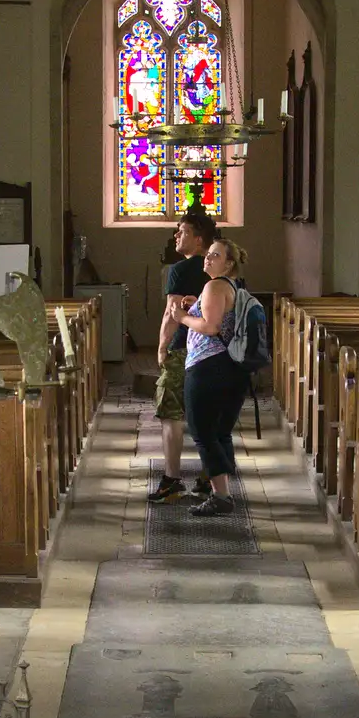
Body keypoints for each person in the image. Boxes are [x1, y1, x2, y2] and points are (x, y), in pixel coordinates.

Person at [167, 238, 252, 516]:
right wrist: (196, 306)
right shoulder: (231, 287)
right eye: (209, 254)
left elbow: (211, 326)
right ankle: (224, 489)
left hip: (208, 367)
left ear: (229, 263)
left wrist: (181, 317)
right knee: (220, 431)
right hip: (230, 368)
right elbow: (217, 316)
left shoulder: (215, 285)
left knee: (203, 431)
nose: (208, 259)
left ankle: (221, 496)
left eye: (215, 256)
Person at [149, 205, 217, 503]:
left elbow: (171, 313)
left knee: (171, 413)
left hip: (182, 349)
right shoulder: (220, 270)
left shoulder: (181, 269)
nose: (177, 235)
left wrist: (162, 346)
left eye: (183, 231)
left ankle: (172, 480)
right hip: (214, 352)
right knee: (207, 414)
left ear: (199, 240)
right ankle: (208, 479)